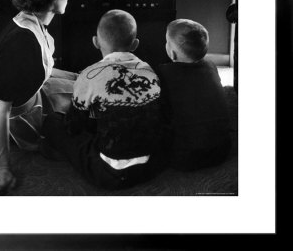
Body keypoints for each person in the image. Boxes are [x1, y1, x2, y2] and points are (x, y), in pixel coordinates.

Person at [40, 10, 163, 190]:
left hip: (110, 174)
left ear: (96, 42)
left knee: (53, 122)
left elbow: (73, 127)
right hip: (151, 166)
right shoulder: (149, 70)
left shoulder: (90, 74)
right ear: (135, 44)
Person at [0, 0, 77, 195]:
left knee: (82, 83)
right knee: (86, 108)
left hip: (36, 95)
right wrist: (2, 169)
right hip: (25, 119)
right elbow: (0, 110)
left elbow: (42, 69)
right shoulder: (21, 44)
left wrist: (80, 77)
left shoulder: (34, 21)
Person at [158, 19, 232, 171]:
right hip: (222, 150)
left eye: (167, 41)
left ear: (171, 52)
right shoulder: (211, 66)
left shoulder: (163, 73)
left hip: (182, 157)